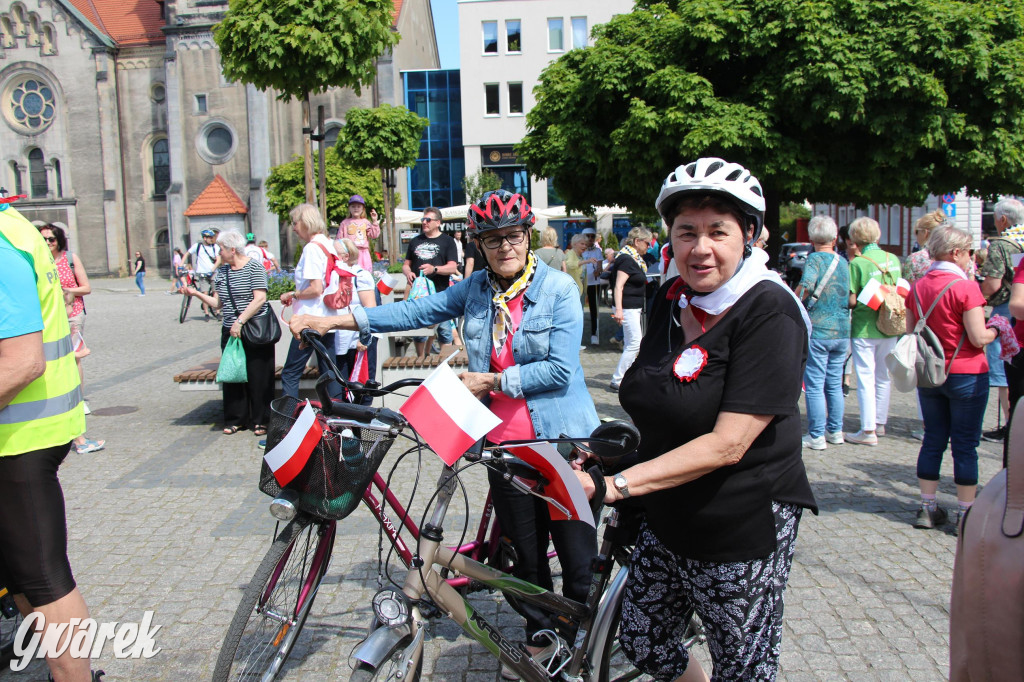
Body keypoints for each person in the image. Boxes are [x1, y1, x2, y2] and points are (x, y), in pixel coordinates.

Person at [291, 189, 600, 668]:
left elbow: (560, 370)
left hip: (560, 440)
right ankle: (543, 632)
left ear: (528, 236)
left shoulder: (558, 289)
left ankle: (583, 634)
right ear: (478, 244)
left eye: (513, 236)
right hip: (504, 447)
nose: (505, 248)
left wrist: (494, 379)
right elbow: (414, 312)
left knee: (577, 556)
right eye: (492, 239)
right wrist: (336, 319)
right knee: (528, 555)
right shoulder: (475, 288)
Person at [578, 157, 815, 681]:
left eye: (717, 231)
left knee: (743, 665)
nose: (700, 247)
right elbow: (660, 398)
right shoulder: (670, 295)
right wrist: (609, 452)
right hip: (667, 504)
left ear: (748, 235)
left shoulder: (768, 310)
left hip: (738, 518)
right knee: (641, 634)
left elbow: (729, 444)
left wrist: (616, 484)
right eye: (686, 232)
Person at [1, 206, 104, 682]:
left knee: (42, 577)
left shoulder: (4, 241)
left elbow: (22, 362)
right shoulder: (15, 226)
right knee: (24, 571)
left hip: (19, 437)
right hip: (28, 430)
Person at [907, 225, 997, 532]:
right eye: (970, 252)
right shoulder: (966, 287)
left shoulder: (917, 285)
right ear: (956, 252)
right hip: (966, 371)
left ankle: (927, 508)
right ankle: (965, 513)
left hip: (929, 373)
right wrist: (996, 328)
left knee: (933, 439)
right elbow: (977, 336)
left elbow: (911, 333)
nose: (972, 258)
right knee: (965, 444)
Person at [183, 229, 276, 436]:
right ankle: (236, 418)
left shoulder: (254, 268)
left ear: (232, 250)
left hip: (254, 329)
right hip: (231, 331)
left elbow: (259, 298)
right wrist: (196, 293)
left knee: (259, 376)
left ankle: (261, 420)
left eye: (221, 249)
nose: (219, 254)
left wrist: (240, 321)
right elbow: (218, 303)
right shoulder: (222, 272)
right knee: (233, 375)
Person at [38, 224, 104, 455]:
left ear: (59, 241)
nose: (47, 243)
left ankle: (78, 398)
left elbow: (86, 287)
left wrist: (67, 290)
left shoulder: (69, 258)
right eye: (44, 239)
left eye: (51, 240)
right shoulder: (39, 260)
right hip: (49, 317)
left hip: (72, 312)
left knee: (74, 359)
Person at [279, 203, 345, 400]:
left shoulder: (311, 248)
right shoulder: (328, 244)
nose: (293, 227)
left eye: (295, 222)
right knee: (330, 374)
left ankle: (286, 421)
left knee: (290, 373)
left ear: (306, 222)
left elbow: (316, 288)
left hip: (310, 321)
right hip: (328, 318)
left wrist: (294, 294)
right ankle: (339, 420)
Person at [795, 215, 850, 449]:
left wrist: (792, 299)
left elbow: (806, 286)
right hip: (842, 329)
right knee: (834, 383)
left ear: (811, 237)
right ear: (835, 237)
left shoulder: (815, 259)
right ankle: (835, 431)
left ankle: (816, 435)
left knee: (815, 383)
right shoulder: (844, 262)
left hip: (819, 329)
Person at [846, 217, 902, 445]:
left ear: (856, 238)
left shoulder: (858, 263)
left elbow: (851, 299)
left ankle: (867, 430)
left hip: (865, 326)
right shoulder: (894, 259)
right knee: (883, 377)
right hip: (890, 325)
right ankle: (880, 422)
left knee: (866, 378)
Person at [979, 198, 1024, 442]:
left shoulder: (1001, 244)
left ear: (1003, 220)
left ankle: (1011, 425)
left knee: (1005, 368)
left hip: (1009, 307)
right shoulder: (1023, 239)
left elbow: (992, 284)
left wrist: (978, 298)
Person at [402, 207, 459, 357]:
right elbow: (406, 264)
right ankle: (420, 361)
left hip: (441, 295)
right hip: (419, 296)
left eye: (428, 220)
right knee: (419, 334)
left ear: (438, 222)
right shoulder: (415, 241)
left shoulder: (448, 241)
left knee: (445, 332)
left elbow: (452, 267)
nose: (424, 222)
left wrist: (434, 269)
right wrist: (408, 272)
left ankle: (445, 364)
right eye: (423, 220)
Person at [332, 237, 377, 402]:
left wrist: (363, 337)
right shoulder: (333, 275)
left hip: (356, 339)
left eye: (334, 254)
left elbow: (370, 308)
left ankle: (361, 421)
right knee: (341, 384)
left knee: (360, 385)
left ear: (345, 256)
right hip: (339, 338)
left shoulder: (360, 276)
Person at [609, 226, 653, 392]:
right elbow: (618, 286)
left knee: (631, 343)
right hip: (627, 307)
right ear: (637, 241)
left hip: (631, 306)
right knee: (635, 342)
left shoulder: (632, 258)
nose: (648, 246)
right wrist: (619, 310)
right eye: (647, 243)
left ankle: (624, 377)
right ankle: (619, 378)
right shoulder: (627, 259)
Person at [185, 229, 221, 317]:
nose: (211, 239)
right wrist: (181, 265)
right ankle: (206, 313)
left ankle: (218, 312)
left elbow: (219, 260)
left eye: (212, 237)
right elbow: (187, 254)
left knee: (216, 292)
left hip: (213, 272)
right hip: (202, 273)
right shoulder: (197, 246)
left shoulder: (215, 247)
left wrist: (212, 269)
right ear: (205, 238)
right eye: (210, 237)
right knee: (204, 293)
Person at [339, 195, 381, 271]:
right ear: (349, 208)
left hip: (363, 253)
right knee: (350, 274)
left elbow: (374, 235)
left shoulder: (366, 222)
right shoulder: (344, 223)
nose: (356, 208)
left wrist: (374, 221)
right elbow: (339, 240)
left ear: (363, 209)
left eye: (359, 206)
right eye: (353, 206)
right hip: (349, 253)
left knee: (364, 274)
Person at [904, 210, 947, 283]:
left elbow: (910, 289)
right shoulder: (957, 255)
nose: (916, 235)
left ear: (925, 232)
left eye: (917, 232)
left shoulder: (914, 259)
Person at [580, 227, 603, 344]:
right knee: (579, 309)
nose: (590, 238)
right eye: (587, 236)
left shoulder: (597, 251)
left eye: (592, 236)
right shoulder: (580, 250)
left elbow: (600, 266)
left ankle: (595, 334)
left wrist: (598, 270)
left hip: (594, 283)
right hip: (581, 283)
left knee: (595, 309)